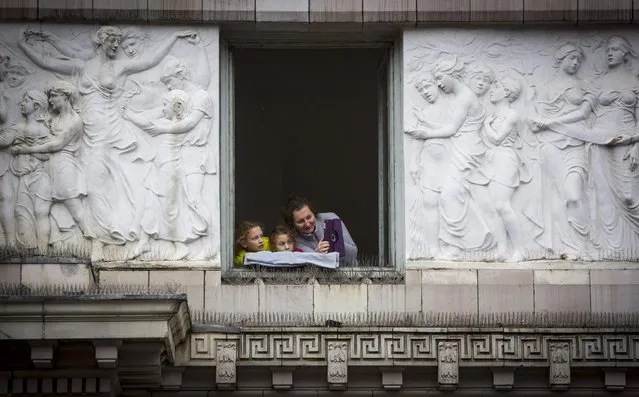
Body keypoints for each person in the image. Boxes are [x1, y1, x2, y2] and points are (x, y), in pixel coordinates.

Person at [123, 89, 208, 260]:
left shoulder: (178, 125)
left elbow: (150, 126)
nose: (162, 109)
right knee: (150, 204)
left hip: (169, 170)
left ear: (177, 107)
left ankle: (181, 246)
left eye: (165, 105)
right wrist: (131, 111)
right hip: (159, 168)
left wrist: (128, 114)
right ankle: (144, 241)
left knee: (169, 210)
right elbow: (148, 120)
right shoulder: (166, 121)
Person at [283, 196, 357, 264]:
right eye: (300, 221)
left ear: (313, 213)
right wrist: (317, 255)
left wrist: (336, 242)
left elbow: (354, 253)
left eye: (309, 217)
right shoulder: (295, 240)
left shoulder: (331, 218)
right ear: (292, 224)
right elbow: (309, 267)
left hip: (351, 273)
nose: (307, 224)